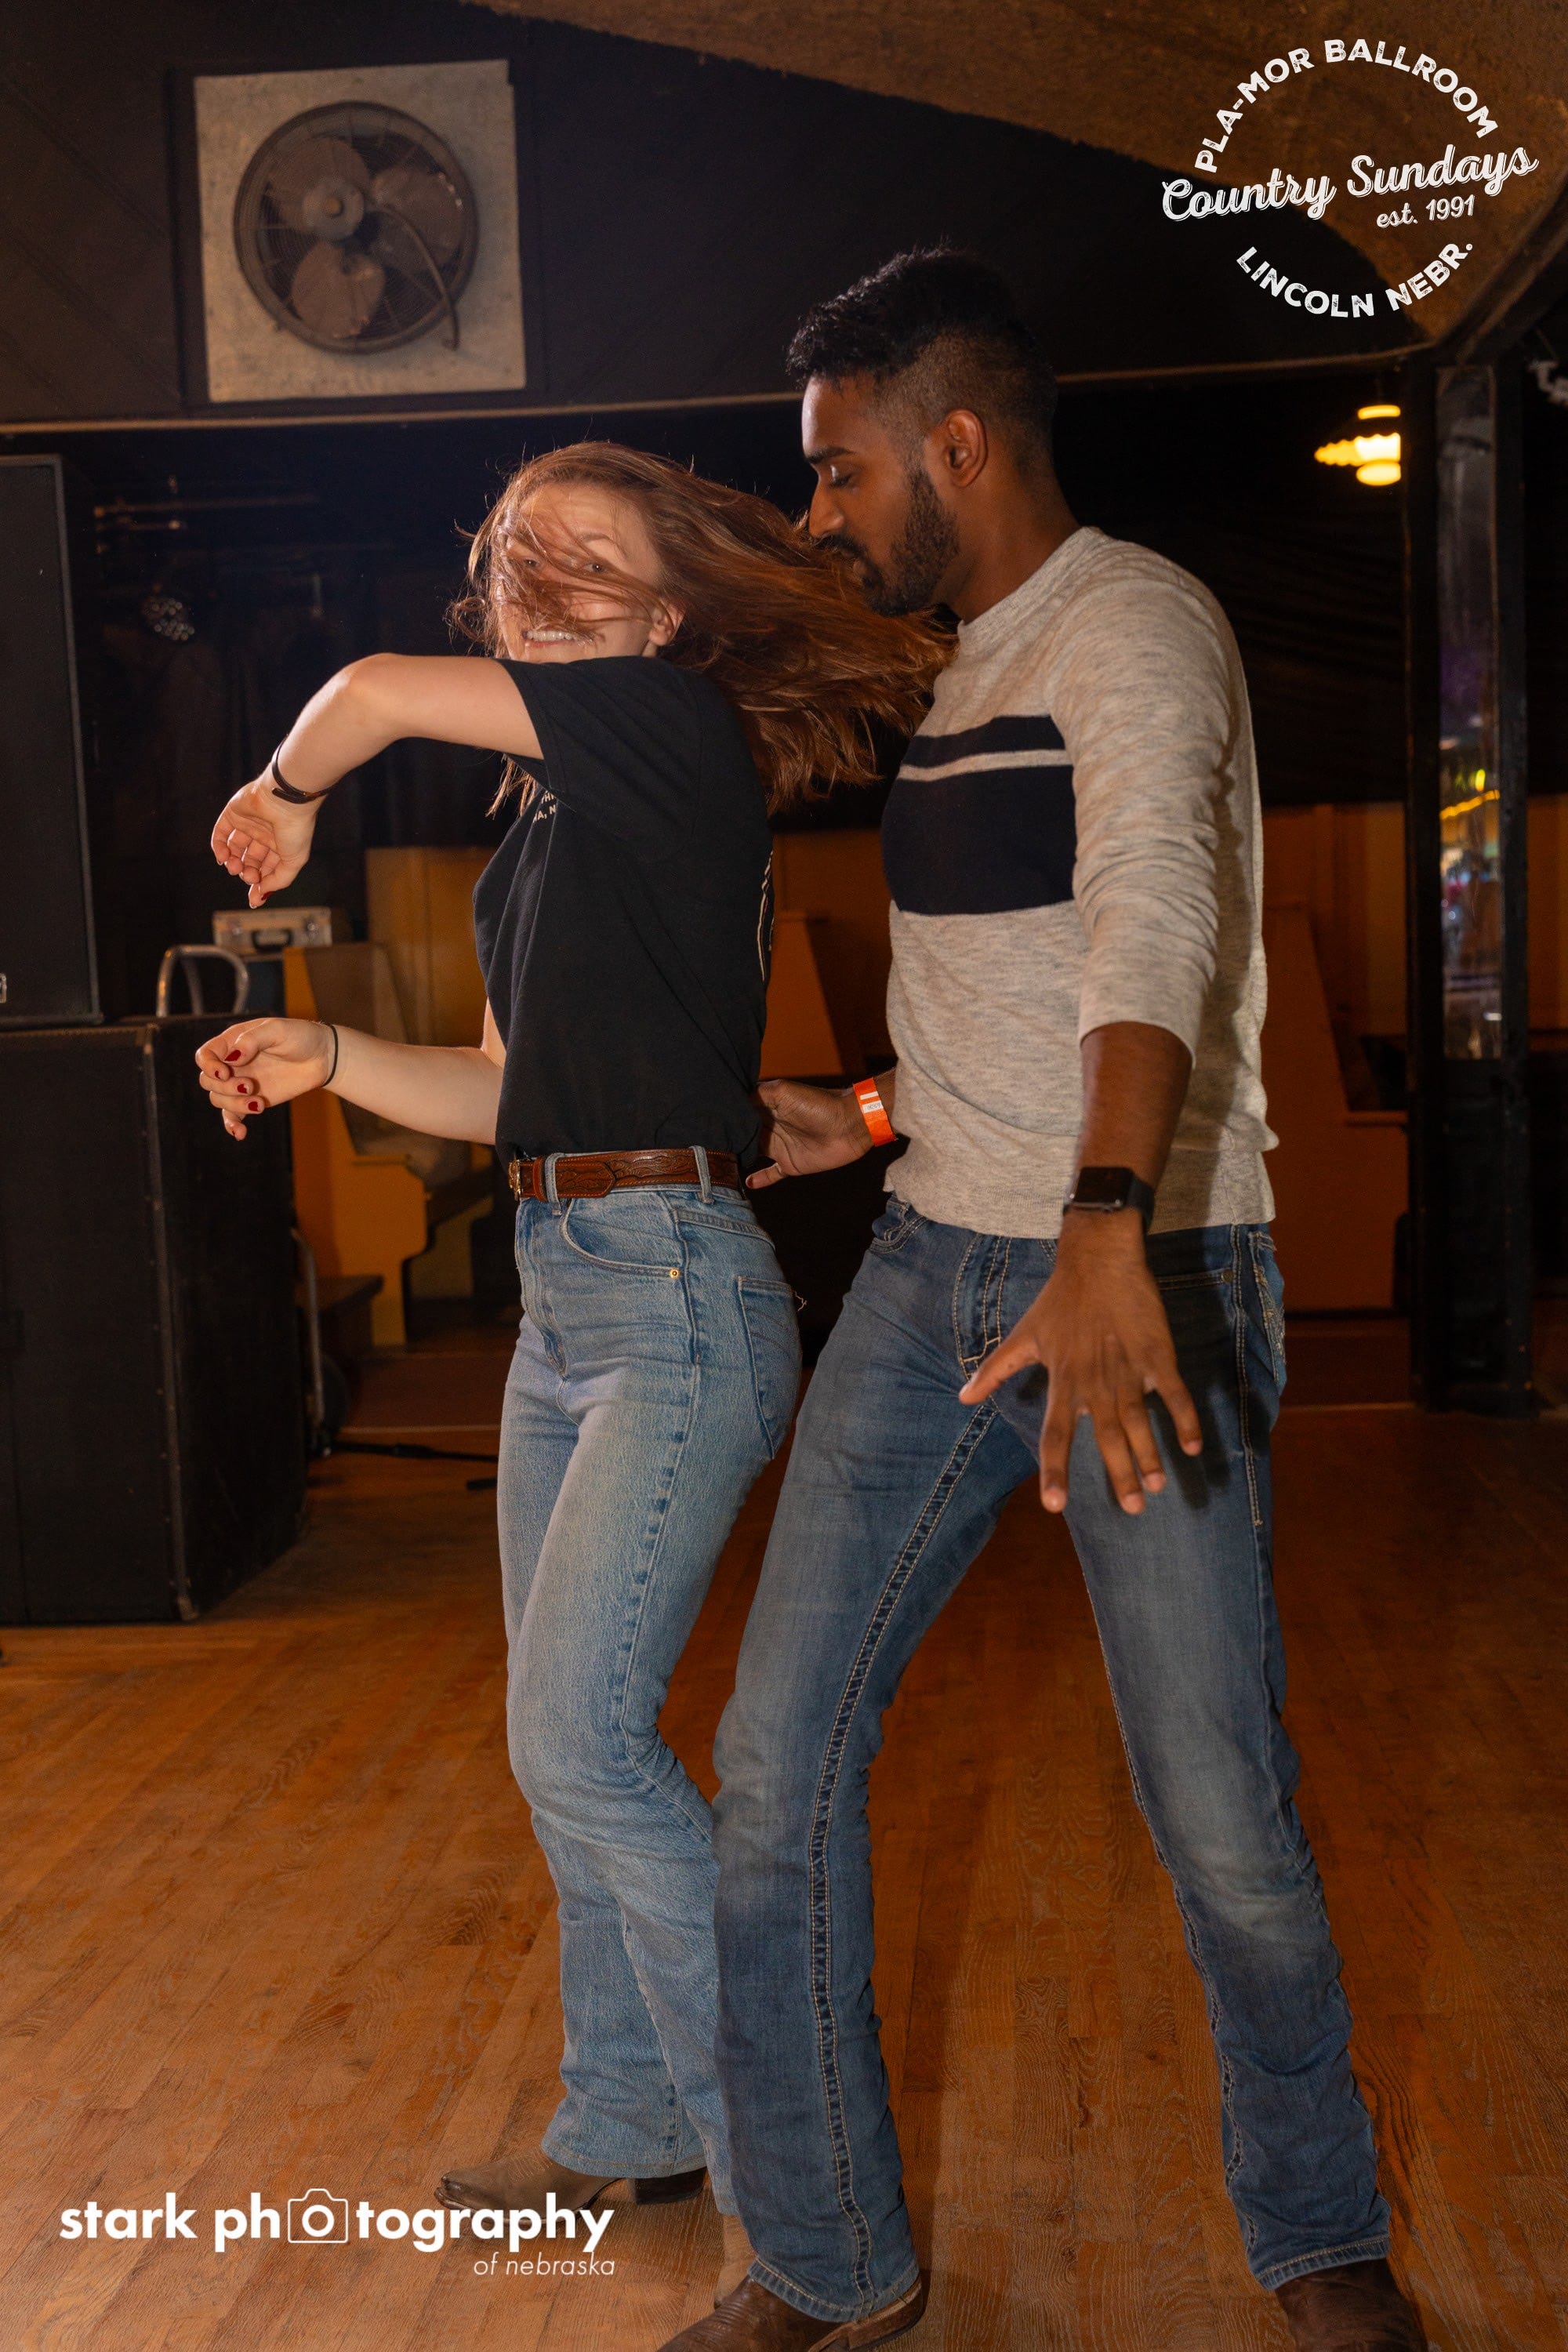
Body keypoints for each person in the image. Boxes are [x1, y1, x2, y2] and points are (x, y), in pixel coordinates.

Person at [661, 257, 1427, 2352]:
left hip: (1145, 1268)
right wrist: (868, 1111)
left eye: (839, 471)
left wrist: (1104, 1233)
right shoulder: (954, 666)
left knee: (1217, 1807)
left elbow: (1154, 930)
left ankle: (1318, 2234)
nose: (818, 512)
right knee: (776, 1769)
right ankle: (823, 2263)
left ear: (957, 442)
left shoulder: (1135, 623)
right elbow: (997, 985)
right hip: (932, 1260)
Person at [197, 443, 943, 2308]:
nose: (535, 577)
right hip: (566, 1295)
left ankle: (812, 2224)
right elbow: (499, 1094)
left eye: (583, 556)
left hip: (673, 1295)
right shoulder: (549, 821)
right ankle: (629, 2122)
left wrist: (284, 793)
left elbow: (367, 695)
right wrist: (325, 1055)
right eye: (516, 553)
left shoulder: (665, 732)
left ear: (670, 617)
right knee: (567, 1755)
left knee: (582, 1745)